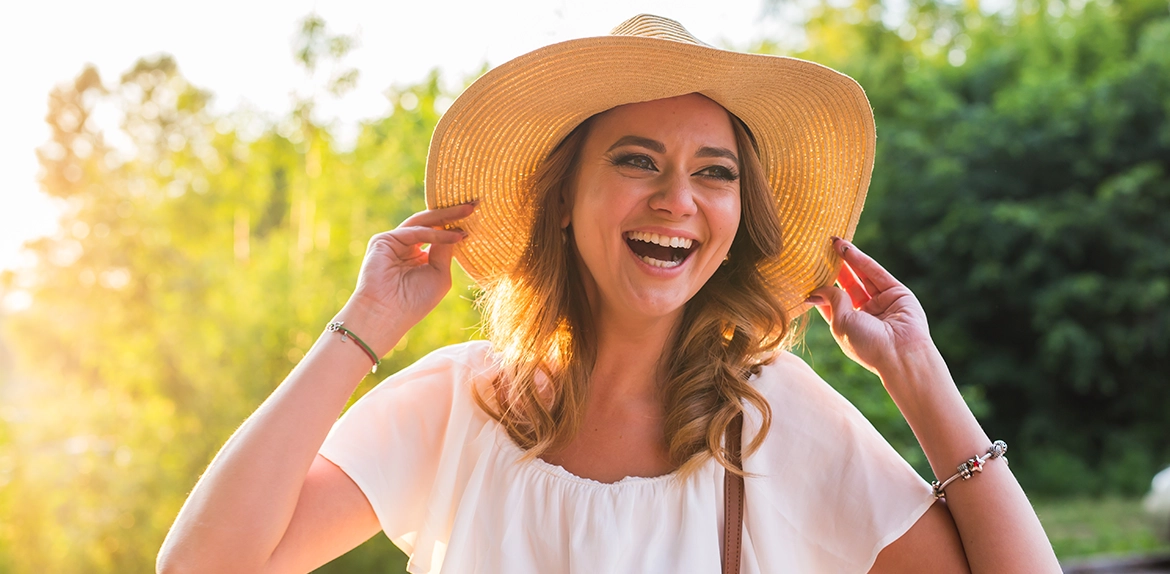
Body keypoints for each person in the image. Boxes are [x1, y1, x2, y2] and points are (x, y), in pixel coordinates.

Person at [157, 14, 1061, 574]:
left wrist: (919, 374)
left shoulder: (771, 419)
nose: (677, 198)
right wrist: (364, 327)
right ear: (562, 202)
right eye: (637, 161)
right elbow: (202, 567)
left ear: (736, 218)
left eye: (714, 173)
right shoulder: (454, 404)